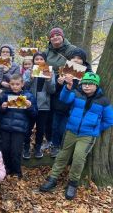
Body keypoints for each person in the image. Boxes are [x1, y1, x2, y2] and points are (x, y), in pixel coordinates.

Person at [39, 72, 113, 200]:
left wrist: (95, 129)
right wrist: (68, 88)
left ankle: (73, 183)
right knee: (63, 155)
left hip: (87, 136)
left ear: (96, 85)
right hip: (71, 131)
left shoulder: (103, 101)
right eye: (85, 83)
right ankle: (53, 178)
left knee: (78, 158)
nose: (87, 86)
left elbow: (109, 120)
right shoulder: (77, 93)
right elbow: (64, 99)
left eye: (90, 84)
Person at [50, 47, 93, 157]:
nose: (76, 60)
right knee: (54, 127)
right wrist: (59, 83)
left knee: (64, 129)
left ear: (83, 60)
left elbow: (90, 91)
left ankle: (64, 149)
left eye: (79, 58)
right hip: (59, 105)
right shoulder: (63, 69)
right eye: (73, 58)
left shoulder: (88, 74)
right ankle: (55, 146)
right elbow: (54, 90)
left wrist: (79, 83)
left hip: (74, 108)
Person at [0, 74, 37, 177]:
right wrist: (2, 107)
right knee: (5, 149)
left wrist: (29, 106)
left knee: (16, 151)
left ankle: (17, 172)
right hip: (6, 127)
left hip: (19, 129)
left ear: (22, 84)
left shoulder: (28, 96)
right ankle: (7, 169)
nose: (15, 86)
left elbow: (34, 114)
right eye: (12, 84)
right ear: (9, 84)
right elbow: (0, 112)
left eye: (17, 84)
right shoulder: (5, 95)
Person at [23, 52, 55, 159]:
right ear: (33, 61)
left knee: (41, 129)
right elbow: (23, 88)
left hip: (44, 105)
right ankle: (26, 148)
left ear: (45, 61)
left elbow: (52, 90)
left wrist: (49, 80)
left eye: (41, 59)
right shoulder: (28, 72)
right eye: (37, 59)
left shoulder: (50, 72)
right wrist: (31, 78)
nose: (39, 61)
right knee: (28, 128)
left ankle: (37, 148)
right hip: (30, 104)